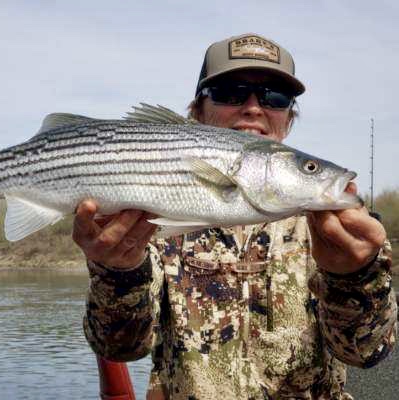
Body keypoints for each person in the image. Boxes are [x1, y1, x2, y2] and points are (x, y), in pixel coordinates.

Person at [74, 33, 397, 399]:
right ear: (197, 112)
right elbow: (119, 347)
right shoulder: (151, 220)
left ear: (288, 120)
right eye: (230, 92)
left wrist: (354, 276)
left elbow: (367, 353)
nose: (254, 108)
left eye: (275, 97)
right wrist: (117, 272)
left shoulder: (339, 231)